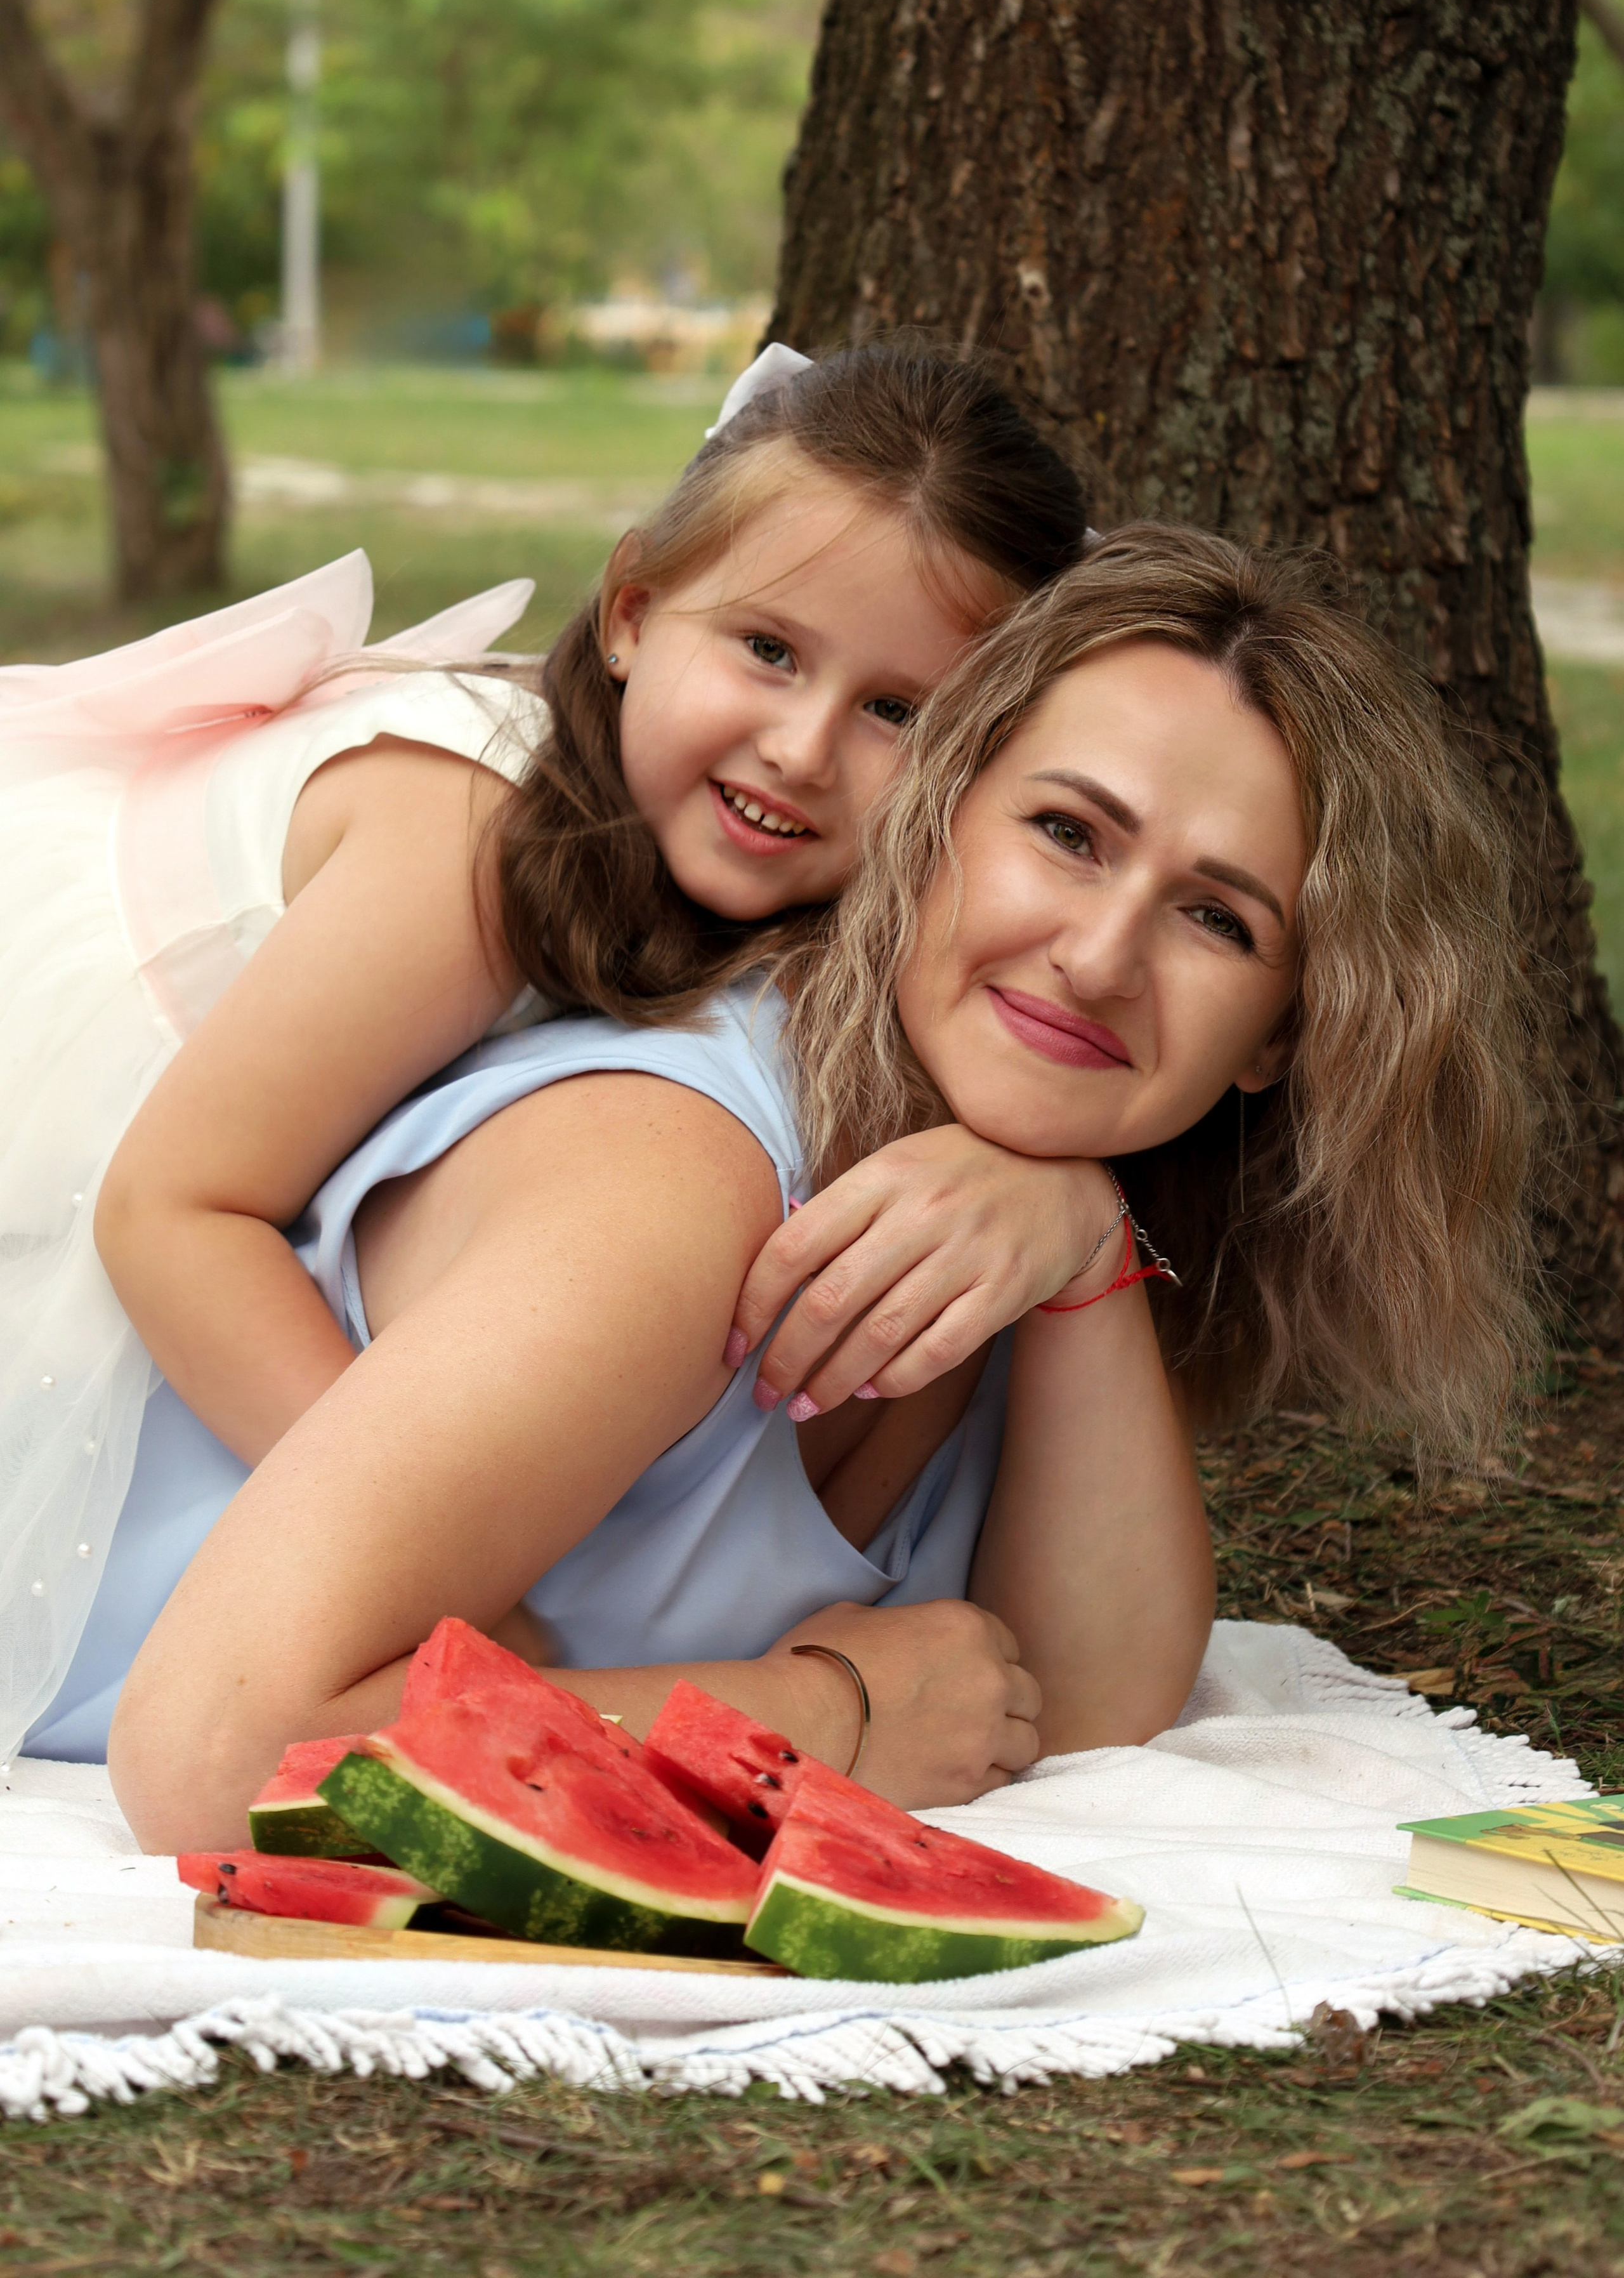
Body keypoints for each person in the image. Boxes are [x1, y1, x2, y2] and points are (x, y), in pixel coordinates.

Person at [100, 522, 1545, 1853]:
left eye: (1215, 918)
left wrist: (1084, 1242)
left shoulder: (992, 1210)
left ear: (1281, 1035)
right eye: (1064, 834)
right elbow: (214, 1756)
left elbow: (1085, 1701)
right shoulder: (668, 1192)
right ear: (933, 822)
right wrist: (821, 1717)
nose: (1101, 958)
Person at [0, 341, 1120, 1760]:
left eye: (895, 713)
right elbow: (172, 1209)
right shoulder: (477, 834)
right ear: (632, 612)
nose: (796, 745)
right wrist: (446, 1576)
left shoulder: (748, 895)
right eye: (766, 651)